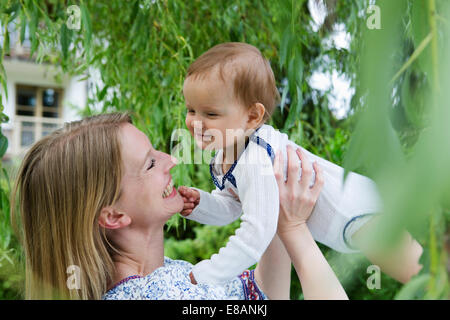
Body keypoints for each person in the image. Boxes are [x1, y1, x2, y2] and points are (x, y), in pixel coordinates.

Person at [11, 112, 347, 300]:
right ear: (113, 215)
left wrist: (268, 200)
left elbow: (261, 299)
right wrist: (293, 229)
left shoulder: (160, 279)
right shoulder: (156, 296)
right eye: (150, 164)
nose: (171, 160)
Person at [178, 42, 423, 285]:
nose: (195, 123)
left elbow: (256, 233)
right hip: (347, 221)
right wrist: (202, 204)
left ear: (252, 116)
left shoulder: (255, 157)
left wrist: (208, 274)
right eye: (190, 110)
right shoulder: (224, 158)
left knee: (424, 276)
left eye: (210, 114)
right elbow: (233, 205)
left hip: (357, 212)